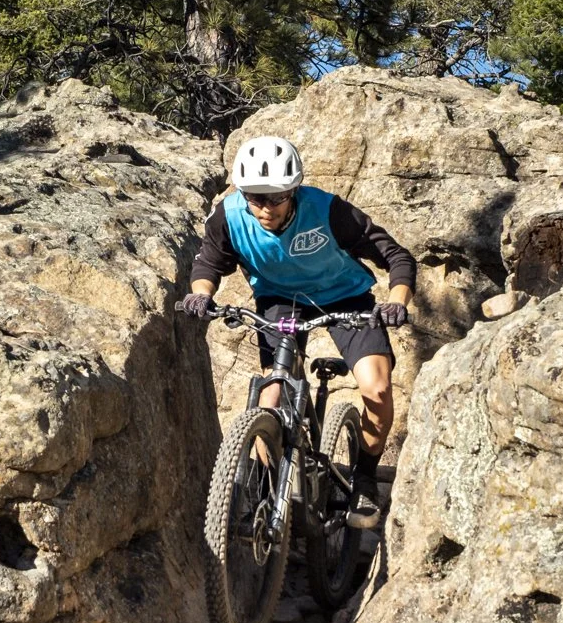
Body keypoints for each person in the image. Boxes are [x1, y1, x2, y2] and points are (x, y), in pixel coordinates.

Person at [178, 135, 417, 529]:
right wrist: (201, 295)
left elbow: (396, 256)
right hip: (279, 300)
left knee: (376, 389)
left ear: (294, 190)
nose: (265, 207)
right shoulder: (230, 215)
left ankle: (364, 479)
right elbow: (209, 263)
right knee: (271, 397)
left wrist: (396, 301)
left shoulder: (328, 211)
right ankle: (270, 493)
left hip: (345, 297)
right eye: (255, 197)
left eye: (276, 197)